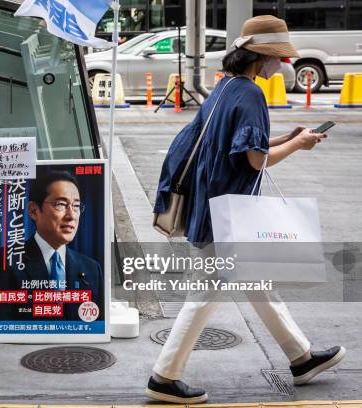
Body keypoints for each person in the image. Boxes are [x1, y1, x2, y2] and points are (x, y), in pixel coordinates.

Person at [147, 15, 345, 403]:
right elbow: (256, 160)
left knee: (256, 285)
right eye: (278, 58)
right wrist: (298, 145)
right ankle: (164, 377)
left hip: (213, 205)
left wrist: (285, 135)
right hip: (229, 212)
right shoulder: (252, 94)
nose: (283, 65)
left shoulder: (226, 88)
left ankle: (300, 358)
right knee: (206, 294)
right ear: (261, 56)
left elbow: (234, 143)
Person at [0, 171, 103, 321]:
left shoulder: (92, 268)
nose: (72, 215)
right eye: (60, 204)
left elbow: (98, 323)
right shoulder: (5, 261)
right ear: (34, 211)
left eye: (76, 206)